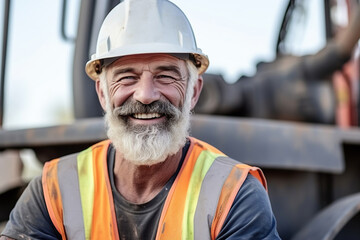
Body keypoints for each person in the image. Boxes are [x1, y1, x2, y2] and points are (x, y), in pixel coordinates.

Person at [0, 0, 280, 239]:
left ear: (193, 92)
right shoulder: (53, 192)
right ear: (102, 93)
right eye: (127, 77)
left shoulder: (233, 195)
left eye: (166, 76)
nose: (146, 95)